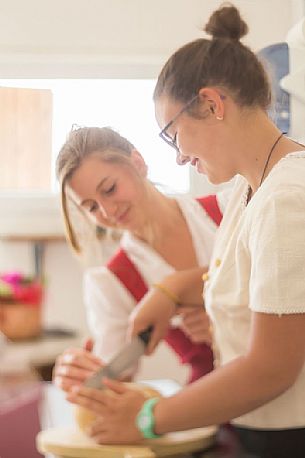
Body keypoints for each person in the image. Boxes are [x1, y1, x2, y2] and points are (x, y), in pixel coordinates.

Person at [65, 5, 305, 458]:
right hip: (257, 429)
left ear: (213, 104)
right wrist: (173, 290)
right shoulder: (250, 190)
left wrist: (148, 418)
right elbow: (250, 282)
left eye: (173, 136)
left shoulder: (285, 198)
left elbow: (271, 369)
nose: (177, 158)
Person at [54, 126, 226, 393]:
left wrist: (228, 321)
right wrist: (80, 372)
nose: (108, 211)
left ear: (138, 163)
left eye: (109, 189)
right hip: (212, 404)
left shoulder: (230, 211)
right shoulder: (112, 281)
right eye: (91, 207)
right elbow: (112, 378)